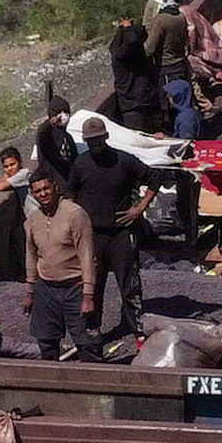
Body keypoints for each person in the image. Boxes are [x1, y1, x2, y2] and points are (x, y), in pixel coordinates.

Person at [67, 117, 154, 336]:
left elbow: (154, 177)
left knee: (129, 284)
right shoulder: (80, 164)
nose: (94, 144)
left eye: (98, 139)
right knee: (91, 285)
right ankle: (92, 332)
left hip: (121, 232)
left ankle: (138, 332)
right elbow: (70, 194)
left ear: (106, 137)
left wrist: (139, 207)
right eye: (90, 141)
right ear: (85, 141)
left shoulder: (124, 161)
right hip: (93, 235)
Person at [22, 172, 104, 361]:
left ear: (55, 187)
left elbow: (87, 255)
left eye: (46, 188)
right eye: (37, 191)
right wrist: (29, 291)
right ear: (32, 194)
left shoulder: (74, 214)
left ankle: (93, 384)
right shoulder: (32, 221)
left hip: (75, 287)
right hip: (46, 288)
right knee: (45, 339)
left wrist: (89, 294)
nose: (43, 194)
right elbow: (31, 255)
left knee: (88, 343)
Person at [110, 18, 161, 133]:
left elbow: (139, 36)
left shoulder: (121, 52)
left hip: (132, 104)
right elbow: (134, 39)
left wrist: (127, 29)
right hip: (134, 107)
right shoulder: (125, 54)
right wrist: (128, 28)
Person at [145, 0, 193, 93]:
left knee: (171, 99)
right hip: (180, 63)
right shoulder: (181, 17)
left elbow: (150, 47)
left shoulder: (160, 20)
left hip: (166, 67)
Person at [35, 96, 78, 182]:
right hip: (53, 182)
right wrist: (51, 122)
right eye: (58, 113)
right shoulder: (48, 135)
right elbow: (42, 133)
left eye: (66, 112)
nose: (63, 116)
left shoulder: (68, 137)